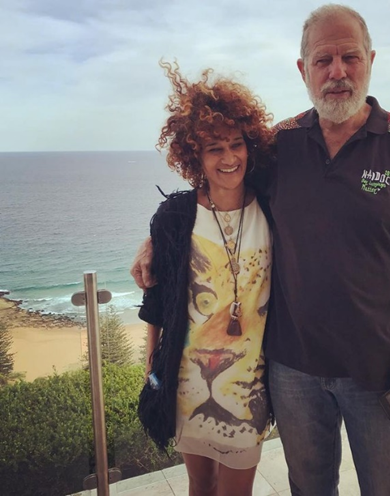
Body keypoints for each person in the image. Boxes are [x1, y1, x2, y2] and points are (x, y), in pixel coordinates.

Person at [131, 6, 390, 495]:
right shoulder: (278, 146)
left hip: (381, 370)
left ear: (370, 61)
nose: (337, 71)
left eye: (349, 57)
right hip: (292, 371)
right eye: (323, 60)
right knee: (309, 489)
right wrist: (157, 240)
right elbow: (218, 192)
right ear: (304, 70)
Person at [137, 61, 274, 496]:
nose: (229, 158)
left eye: (236, 144)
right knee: (199, 484)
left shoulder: (273, 208)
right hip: (187, 381)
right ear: (194, 155)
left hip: (248, 382)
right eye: (215, 148)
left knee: (237, 490)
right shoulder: (175, 216)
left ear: (250, 146)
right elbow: (157, 301)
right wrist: (151, 365)